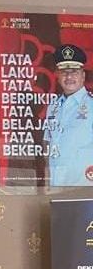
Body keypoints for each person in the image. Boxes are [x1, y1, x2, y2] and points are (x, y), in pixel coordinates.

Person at [44, 44, 93, 186]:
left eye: (74, 71)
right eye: (64, 72)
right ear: (58, 76)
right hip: (56, 185)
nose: (69, 76)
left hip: (84, 187)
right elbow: (47, 143)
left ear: (83, 76)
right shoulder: (53, 107)